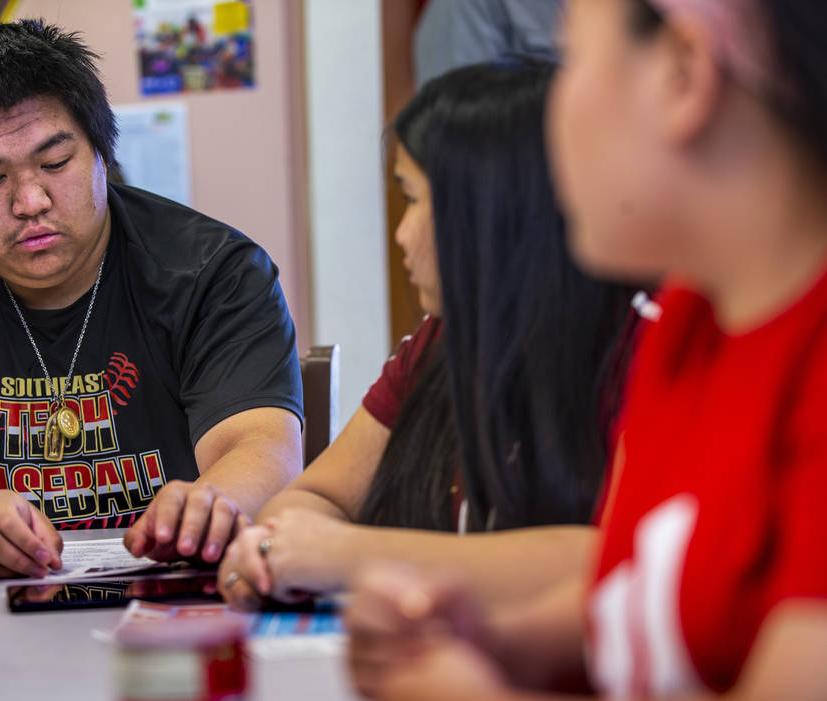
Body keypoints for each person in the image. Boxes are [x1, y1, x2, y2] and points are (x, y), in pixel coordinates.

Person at [345, 1, 827, 699]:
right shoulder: (689, 320)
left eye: (571, 60)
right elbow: (640, 597)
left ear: (684, 75)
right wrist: (491, 634)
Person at [0, 20, 303, 580]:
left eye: (55, 164)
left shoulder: (213, 272)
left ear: (102, 155)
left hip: (167, 587)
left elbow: (260, 445)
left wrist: (209, 505)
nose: (31, 201)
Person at [217, 60, 638, 610]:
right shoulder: (440, 343)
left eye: (414, 200)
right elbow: (312, 499)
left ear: (489, 213)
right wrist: (278, 549)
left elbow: (613, 562)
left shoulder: (636, 347)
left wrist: (348, 554)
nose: (401, 232)